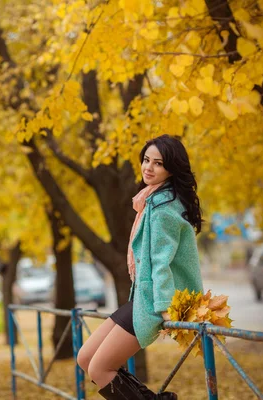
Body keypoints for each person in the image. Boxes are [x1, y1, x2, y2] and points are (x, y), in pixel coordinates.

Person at [77, 134, 204, 399]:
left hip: (156, 302)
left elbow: (160, 264)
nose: (148, 167)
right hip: (142, 298)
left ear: (171, 169)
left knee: (99, 369)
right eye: (146, 160)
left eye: (158, 163)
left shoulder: (163, 208)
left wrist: (166, 311)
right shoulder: (152, 201)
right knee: (85, 358)